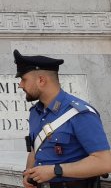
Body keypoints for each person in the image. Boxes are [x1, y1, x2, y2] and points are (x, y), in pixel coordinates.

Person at [14, 50, 111, 188]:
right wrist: (28, 173)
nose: (20, 85)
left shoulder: (80, 113)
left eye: (24, 79)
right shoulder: (35, 112)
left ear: (41, 80)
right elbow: (36, 149)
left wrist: (55, 171)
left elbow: (105, 163)